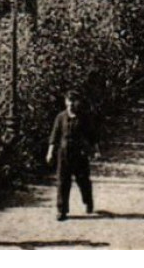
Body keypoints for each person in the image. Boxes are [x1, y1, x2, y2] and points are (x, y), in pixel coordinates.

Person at [46, 89, 96, 221]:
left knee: (83, 180)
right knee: (62, 181)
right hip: (64, 154)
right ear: (65, 102)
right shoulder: (60, 117)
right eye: (68, 102)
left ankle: (88, 201)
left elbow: (91, 135)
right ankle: (62, 210)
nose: (71, 105)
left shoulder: (84, 118)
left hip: (80, 153)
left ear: (78, 103)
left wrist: (94, 150)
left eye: (73, 102)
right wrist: (50, 152)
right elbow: (54, 136)